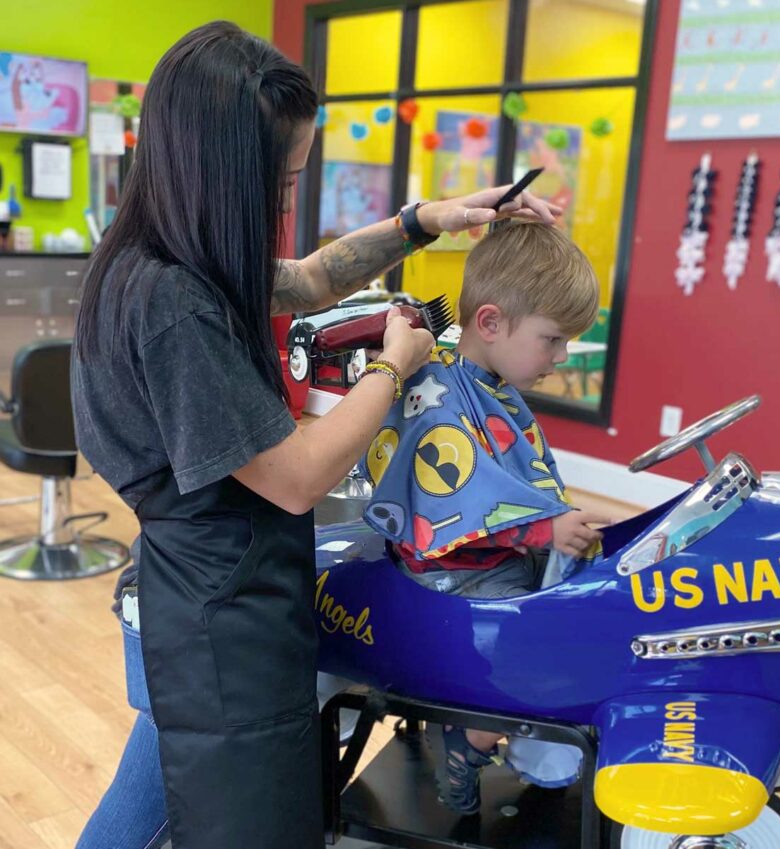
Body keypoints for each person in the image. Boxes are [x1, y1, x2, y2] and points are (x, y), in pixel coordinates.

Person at [71, 21, 559, 849]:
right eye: (282, 186)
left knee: (158, 794)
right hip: (209, 614)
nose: (288, 206)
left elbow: (312, 279)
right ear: (223, 176)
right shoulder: (173, 304)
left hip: (225, 590)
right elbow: (295, 475)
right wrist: (393, 367)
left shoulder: (179, 254)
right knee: (165, 808)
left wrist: (426, 220)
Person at [359, 222, 609, 814]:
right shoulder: (439, 392)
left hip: (494, 555)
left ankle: (561, 743)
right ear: (492, 323)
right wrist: (547, 530)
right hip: (454, 574)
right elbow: (462, 495)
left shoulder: (488, 384)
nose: (562, 356)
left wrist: (558, 526)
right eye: (553, 339)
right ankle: (467, 744)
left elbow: (514, 476)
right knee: (533, 647)